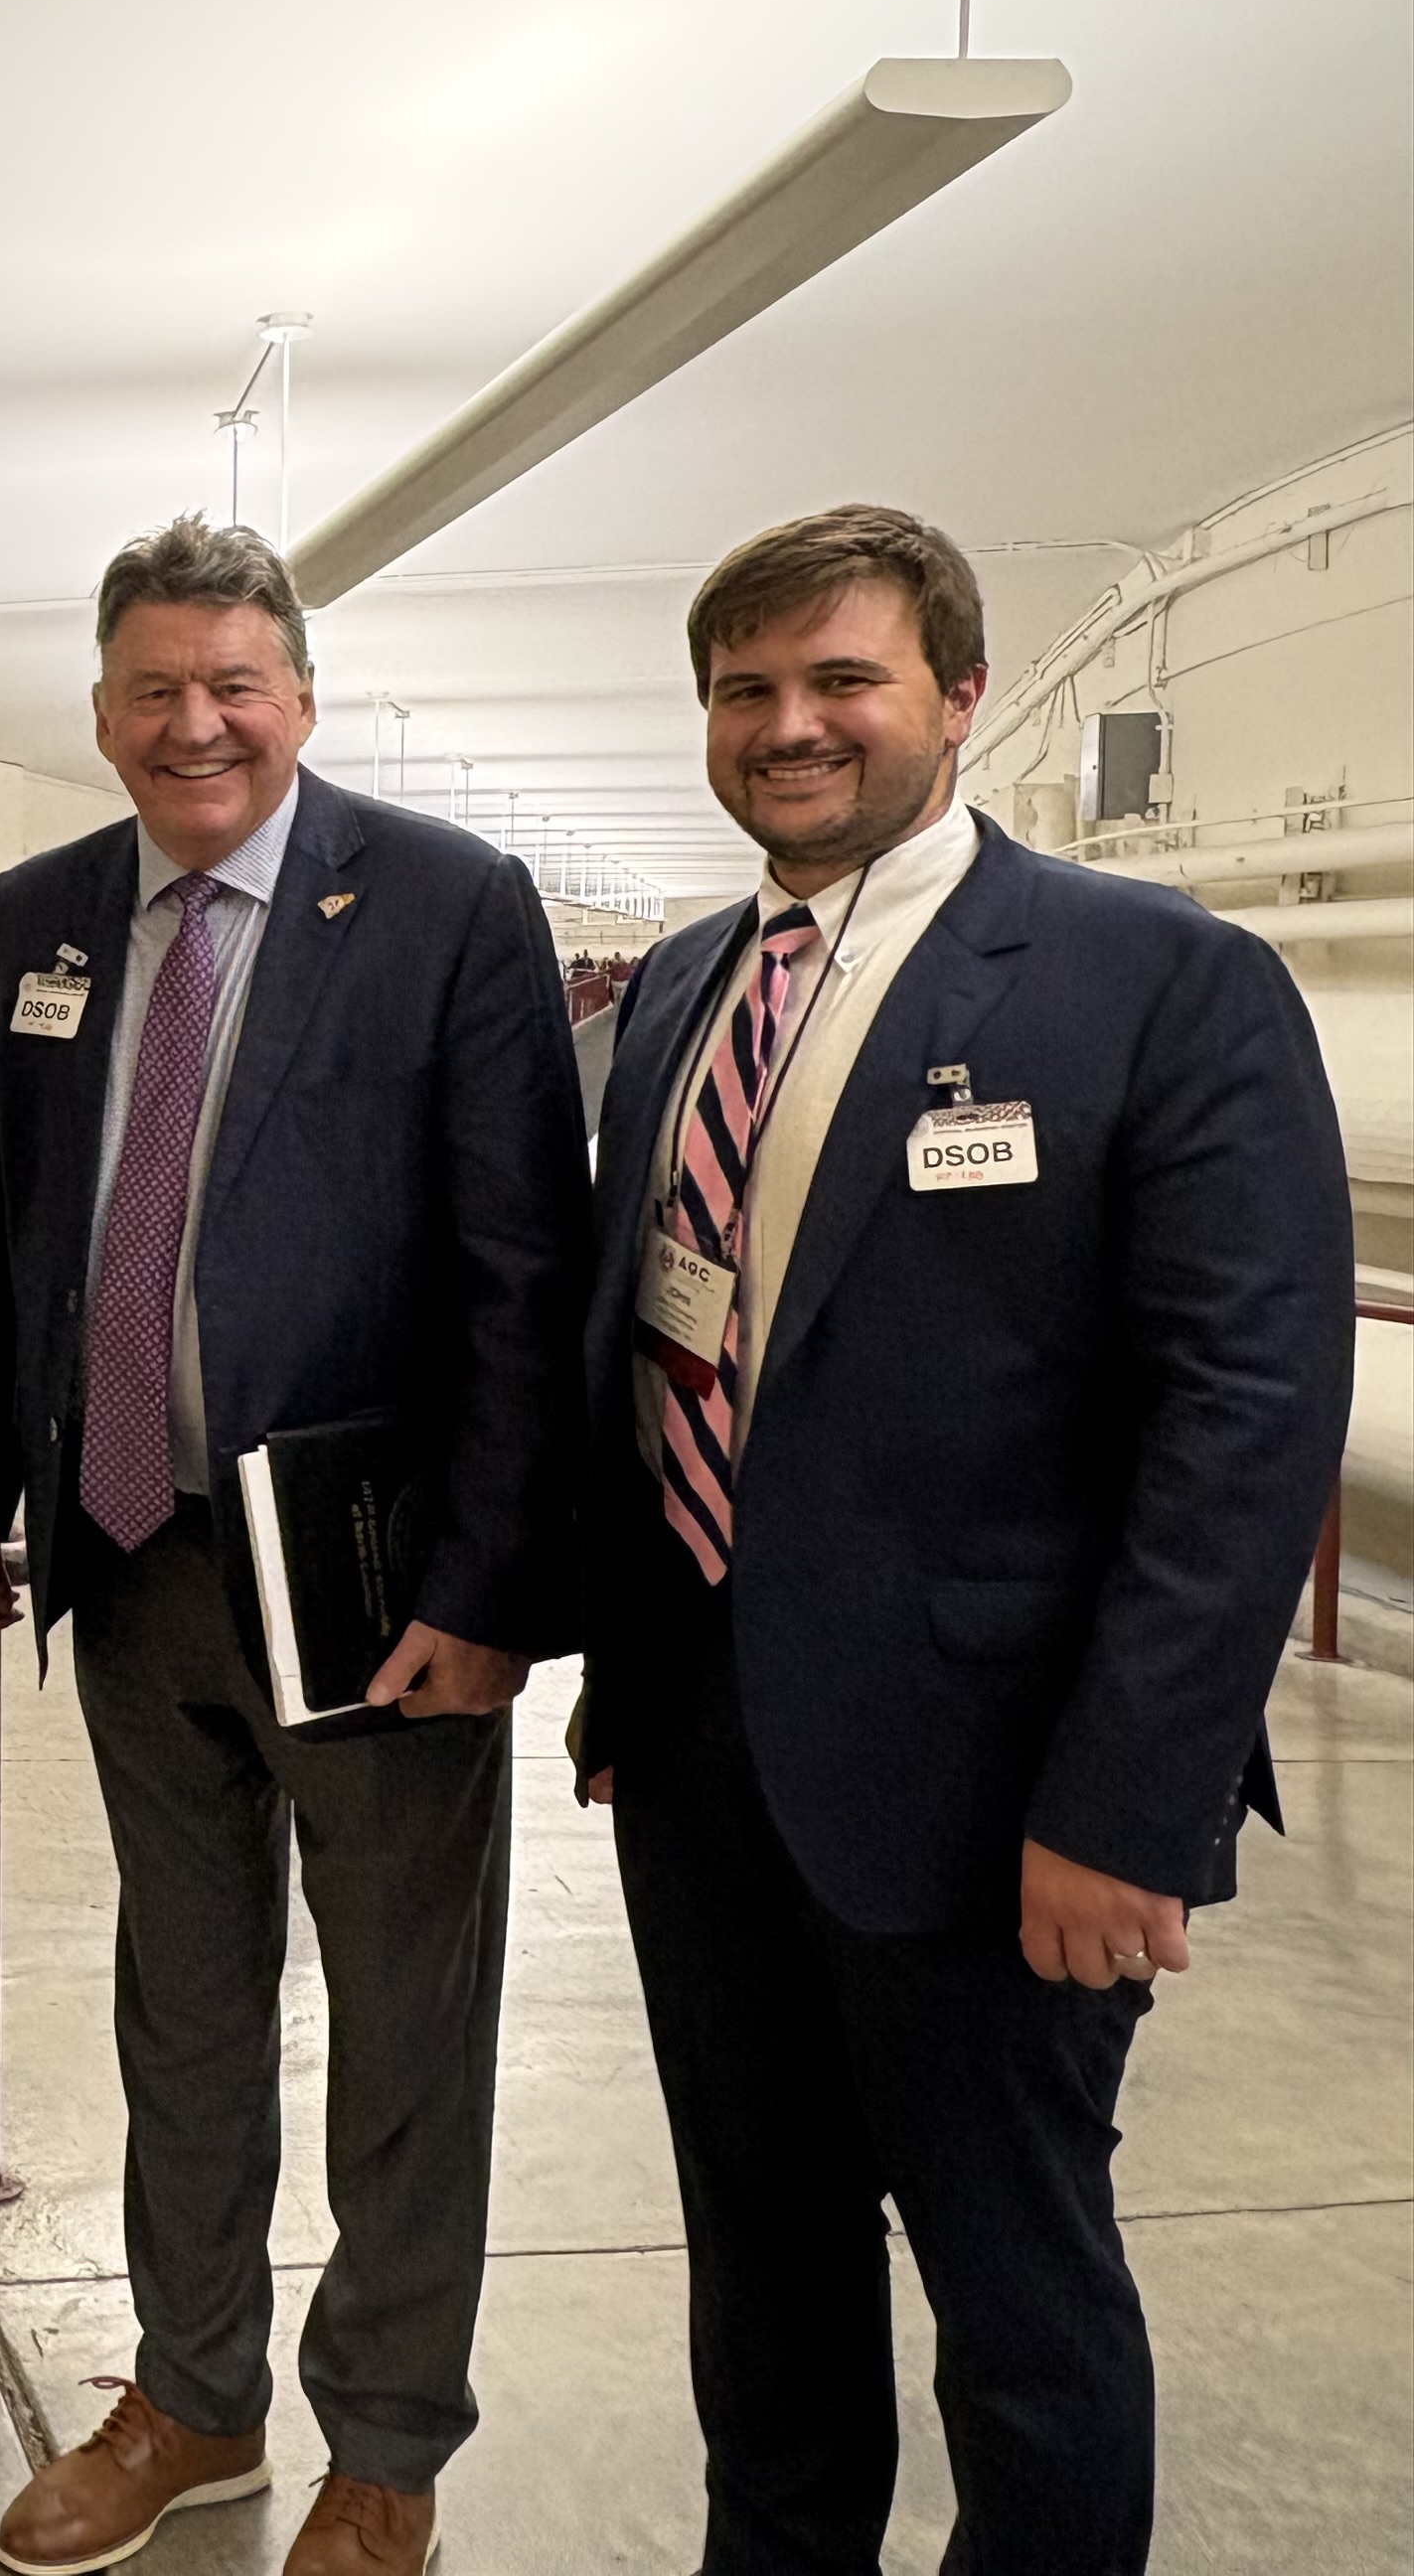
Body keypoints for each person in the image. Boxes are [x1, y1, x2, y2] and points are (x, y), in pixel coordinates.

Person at [573, 506, 1349, 2576]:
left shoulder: (1156, 981)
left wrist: (1126, 1803)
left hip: (1006, 1789)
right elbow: (666, 1342)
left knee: (1016, 2295)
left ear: (962, 699)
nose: (792, 727)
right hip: (712, 1762)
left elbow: (1247, 1425)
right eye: (748, 691)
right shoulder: (675, 995)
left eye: (844, 681)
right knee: (764, 2264)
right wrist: (630, 1684)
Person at [0, 521, 591, 2576]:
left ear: (299, 698)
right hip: (132, 1561)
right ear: (103, 713)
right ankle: (195, 2395)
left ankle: (389, 2439)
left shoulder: (441, 903)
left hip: (370, 1579)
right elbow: (3, 1244)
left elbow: (522, 1266)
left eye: (233, 681)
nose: (194, 720)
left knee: (406, 2024)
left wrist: (491, 1588)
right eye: (152, 686)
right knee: (181, 1999)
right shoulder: (36, 920)